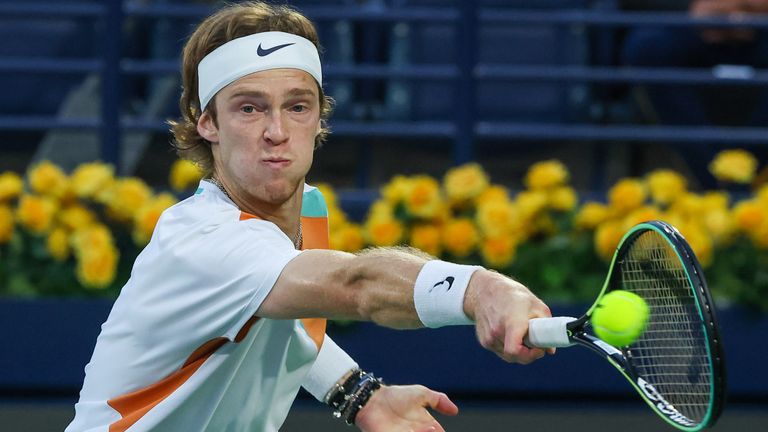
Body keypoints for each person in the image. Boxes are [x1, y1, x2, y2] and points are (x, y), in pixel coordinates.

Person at [65, 2, 553, 431]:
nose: (277, 131)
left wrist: (360, 396)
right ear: (206, 122)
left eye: (297, 106)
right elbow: (354, 285)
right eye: (250, 108)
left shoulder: (305, 211)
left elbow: (283, 323)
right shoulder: (207, 242)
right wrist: (480, 289)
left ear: (319, 117)